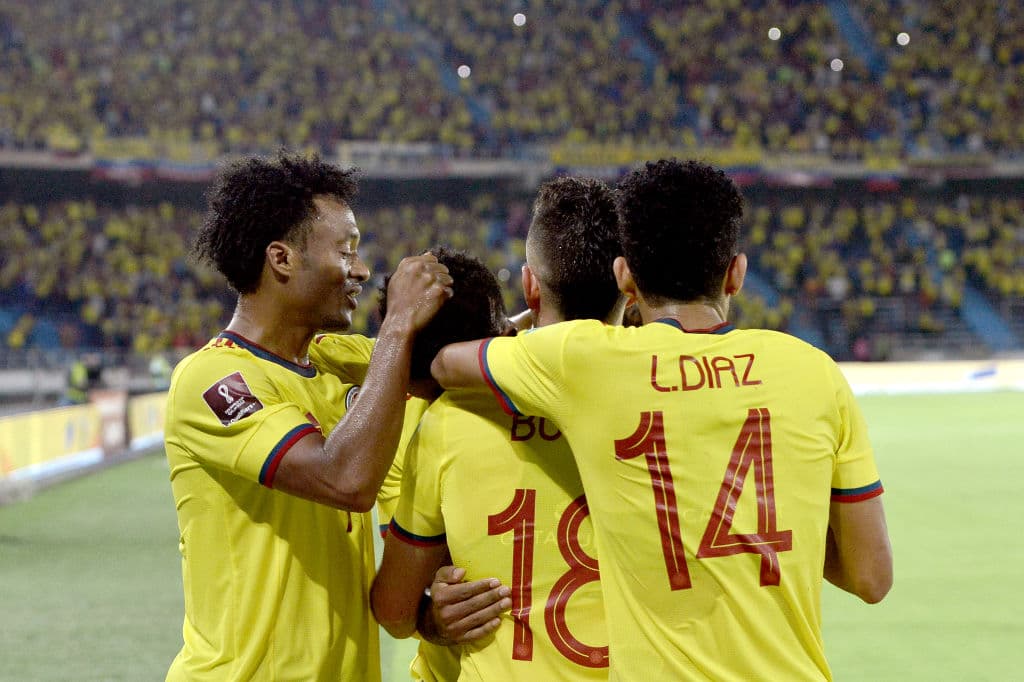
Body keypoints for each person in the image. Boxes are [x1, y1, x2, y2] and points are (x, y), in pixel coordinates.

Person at [431, 160, 893, 681]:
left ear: (624, 275)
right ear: (736, 273)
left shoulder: (588, 362)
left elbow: (447, 362)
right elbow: (871, 576)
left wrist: (523, 320)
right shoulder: (813, 371)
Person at [163, 152, 507, 682]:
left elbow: (471, 352)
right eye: (346, 251)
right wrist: (396, 325)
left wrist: (424, 617)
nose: (363, 270)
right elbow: (345, 478)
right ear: (282, 259)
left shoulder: (333, 359)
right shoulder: (212, 380)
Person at [372, 177, 624, 681]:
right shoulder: (662, 395)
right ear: (630, 282)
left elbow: (396, 605)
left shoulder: (435, 421)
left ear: (530, 287)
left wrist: (430, 615)